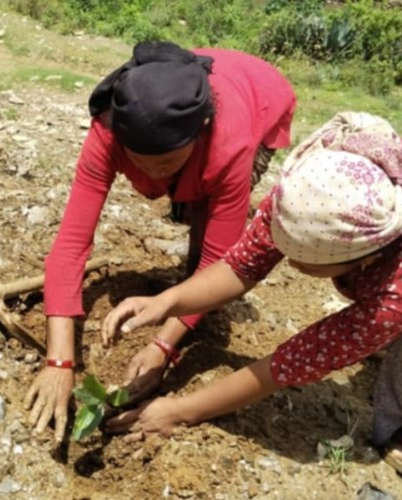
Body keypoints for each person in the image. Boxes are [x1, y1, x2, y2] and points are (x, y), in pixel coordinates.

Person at [101, 112, 402, 482]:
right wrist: (166, 302)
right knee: (389, 323)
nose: (289, 263)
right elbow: (243, 265)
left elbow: (294, 361)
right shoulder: (311, 191)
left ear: (365, 259)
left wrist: (180, 411)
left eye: (303, 261)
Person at [24, 40, 297, 441]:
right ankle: (192, 205)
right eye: (138, 161)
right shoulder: (108, 129)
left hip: (260, 97)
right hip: (179, 101)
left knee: (209, 234)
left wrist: (162, 347)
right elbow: (71, 243)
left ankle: (195, 307)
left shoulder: (230, 142)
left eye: (165, 163)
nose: (150, 173)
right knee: (190, 202)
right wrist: (60, 362)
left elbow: (220, 260)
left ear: (201, 130)